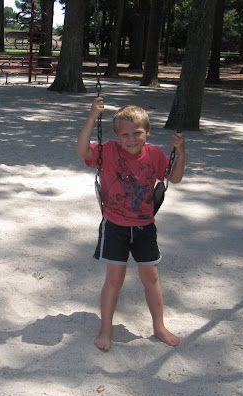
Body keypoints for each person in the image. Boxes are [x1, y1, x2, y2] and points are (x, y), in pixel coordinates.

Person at [75, 97, 186, 351]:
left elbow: (175, 178)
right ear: (117, 137)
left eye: (137, 132)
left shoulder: (155, 154)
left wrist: (181, 152)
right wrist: (92, 117)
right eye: (124, 135)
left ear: (147, 131)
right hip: (115, 225)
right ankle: (106, 329)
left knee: (151, 277)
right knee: (114, 279)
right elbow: (82, 150)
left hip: (145, 226)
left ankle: (159, 326)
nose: (132, 139)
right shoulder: (108, 151)